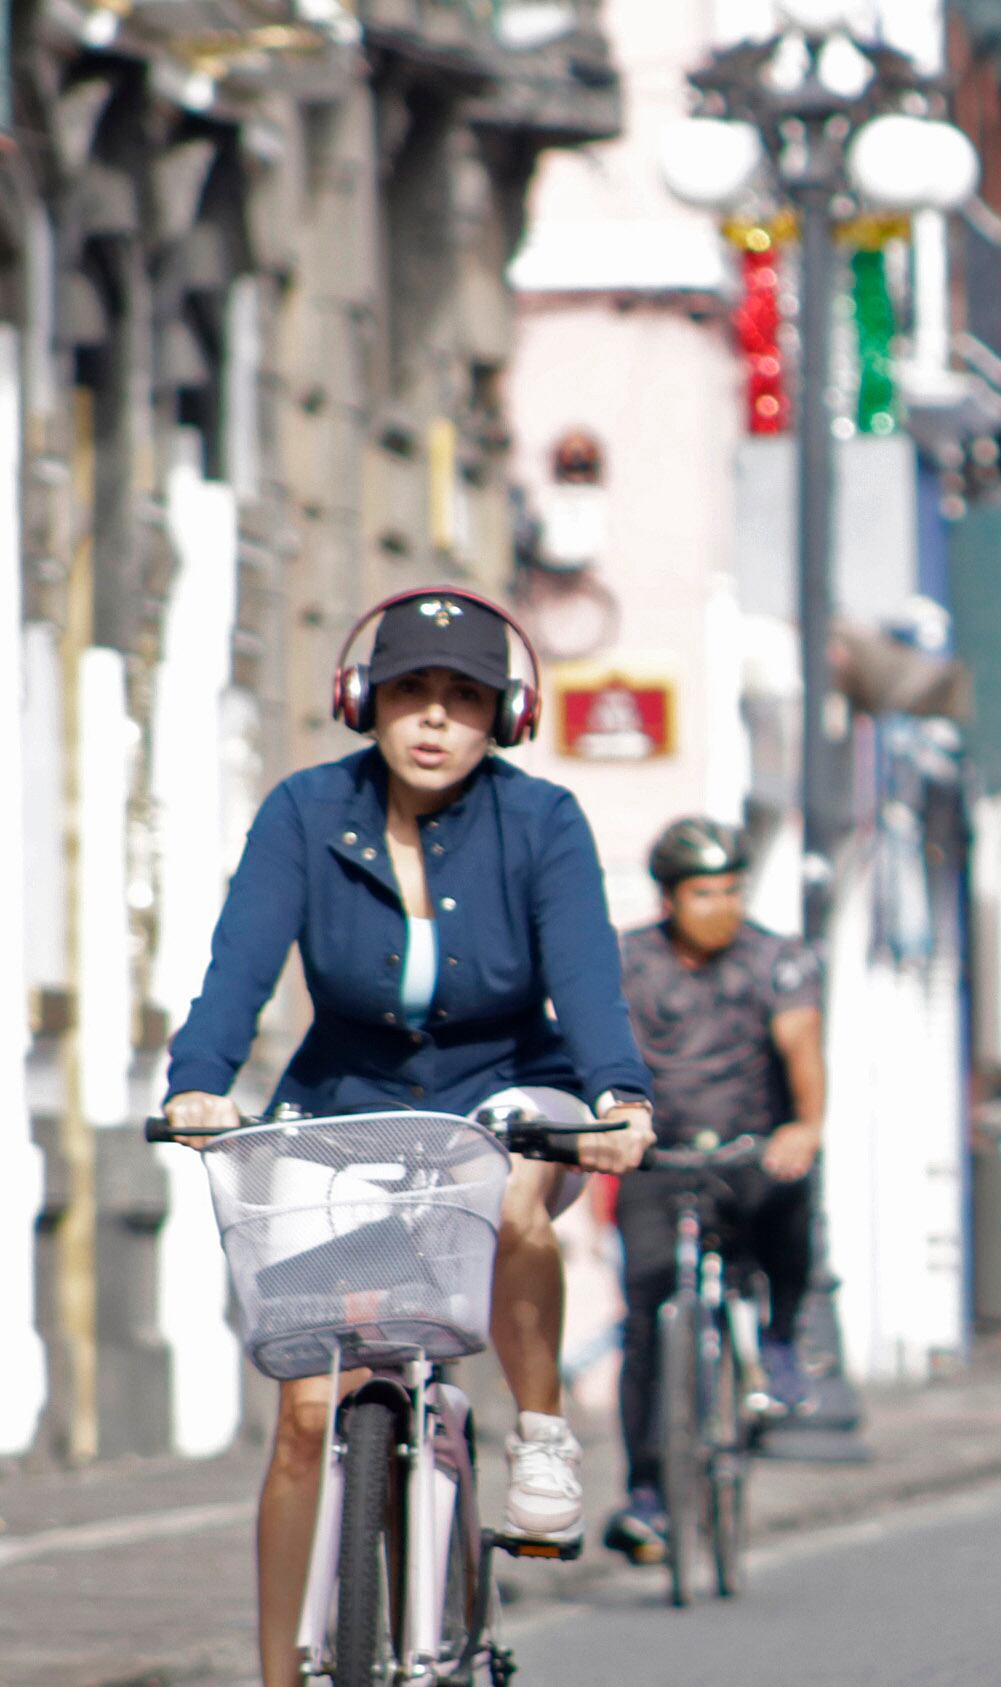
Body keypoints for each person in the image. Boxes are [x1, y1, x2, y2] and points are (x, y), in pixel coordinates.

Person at [161, 587, 655, 1687]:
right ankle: (282, 1670)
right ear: (363, 701)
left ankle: (537, 1436)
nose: (434, 719)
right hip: (345, 1104)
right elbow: (238, 964)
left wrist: (621, 1096)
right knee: (303, 1411)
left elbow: (587, 976)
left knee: (519, 1195)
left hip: (511, 1087)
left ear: (504, 716)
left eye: (464, 698)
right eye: (410, 693)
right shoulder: (303, 809)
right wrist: (198, 1085)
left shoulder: (543, 823)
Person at [600, 818, 827, 1563]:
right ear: (669, 897)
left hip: (749, 1149)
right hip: (655, 1157)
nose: (722, 906)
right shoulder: (625, 960)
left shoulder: (775, 958)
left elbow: (800, 1043)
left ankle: (784, 1339)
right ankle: (647, 1493)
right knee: (646, 1313)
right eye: (704, 893)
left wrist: (805, 1124)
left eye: (733, 890)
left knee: (794, 1190)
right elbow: (592, 1044)